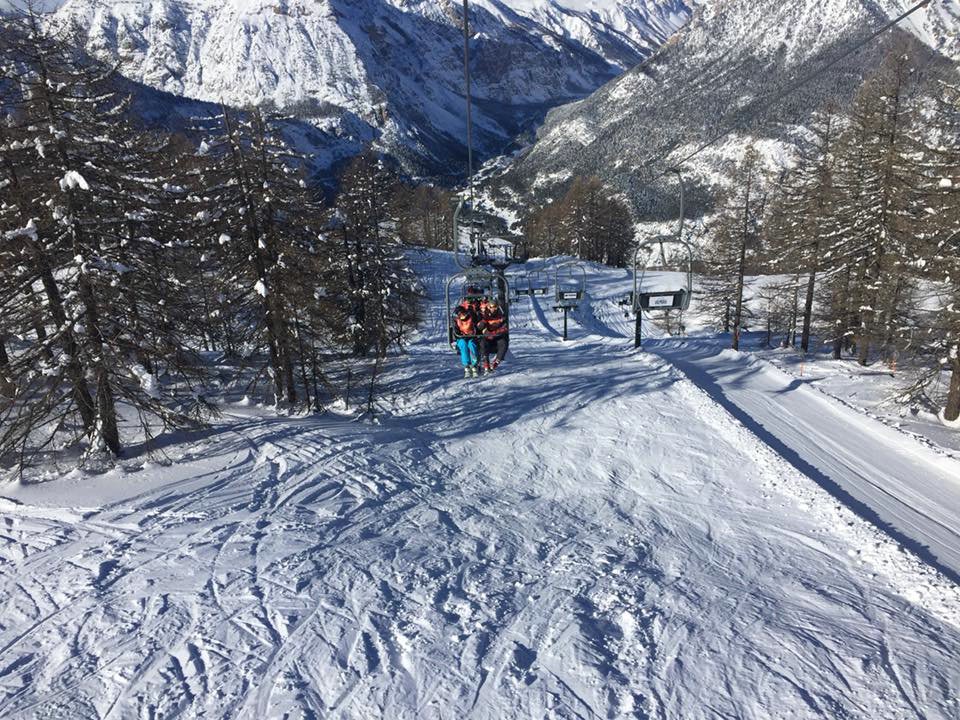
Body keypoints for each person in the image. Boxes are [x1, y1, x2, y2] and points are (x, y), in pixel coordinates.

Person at [478, 298, 509, 373]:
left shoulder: (501, 316)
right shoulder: (484, 315)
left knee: (503, 343)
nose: (493, 309)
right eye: (491, 307)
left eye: (494, 307)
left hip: (497, 337)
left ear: (497, 307)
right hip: (487, 337)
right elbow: (479, 327)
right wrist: (483, 323)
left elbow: (504, 328)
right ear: (488, 307)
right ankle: (486, 362)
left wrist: (495, 333)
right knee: (482, 343)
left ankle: (496, 362)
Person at [453, 303, 480, 378]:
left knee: (472, 344)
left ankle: (474, 365)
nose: (462, 316)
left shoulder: (471, 317)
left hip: (471, 337)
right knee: (463, 344)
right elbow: (456, 332)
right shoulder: (456, 321)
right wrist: (461, 335)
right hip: (461, 338)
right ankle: (467, 366)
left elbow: (476, 326)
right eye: (460, 314)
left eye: (463, 313)